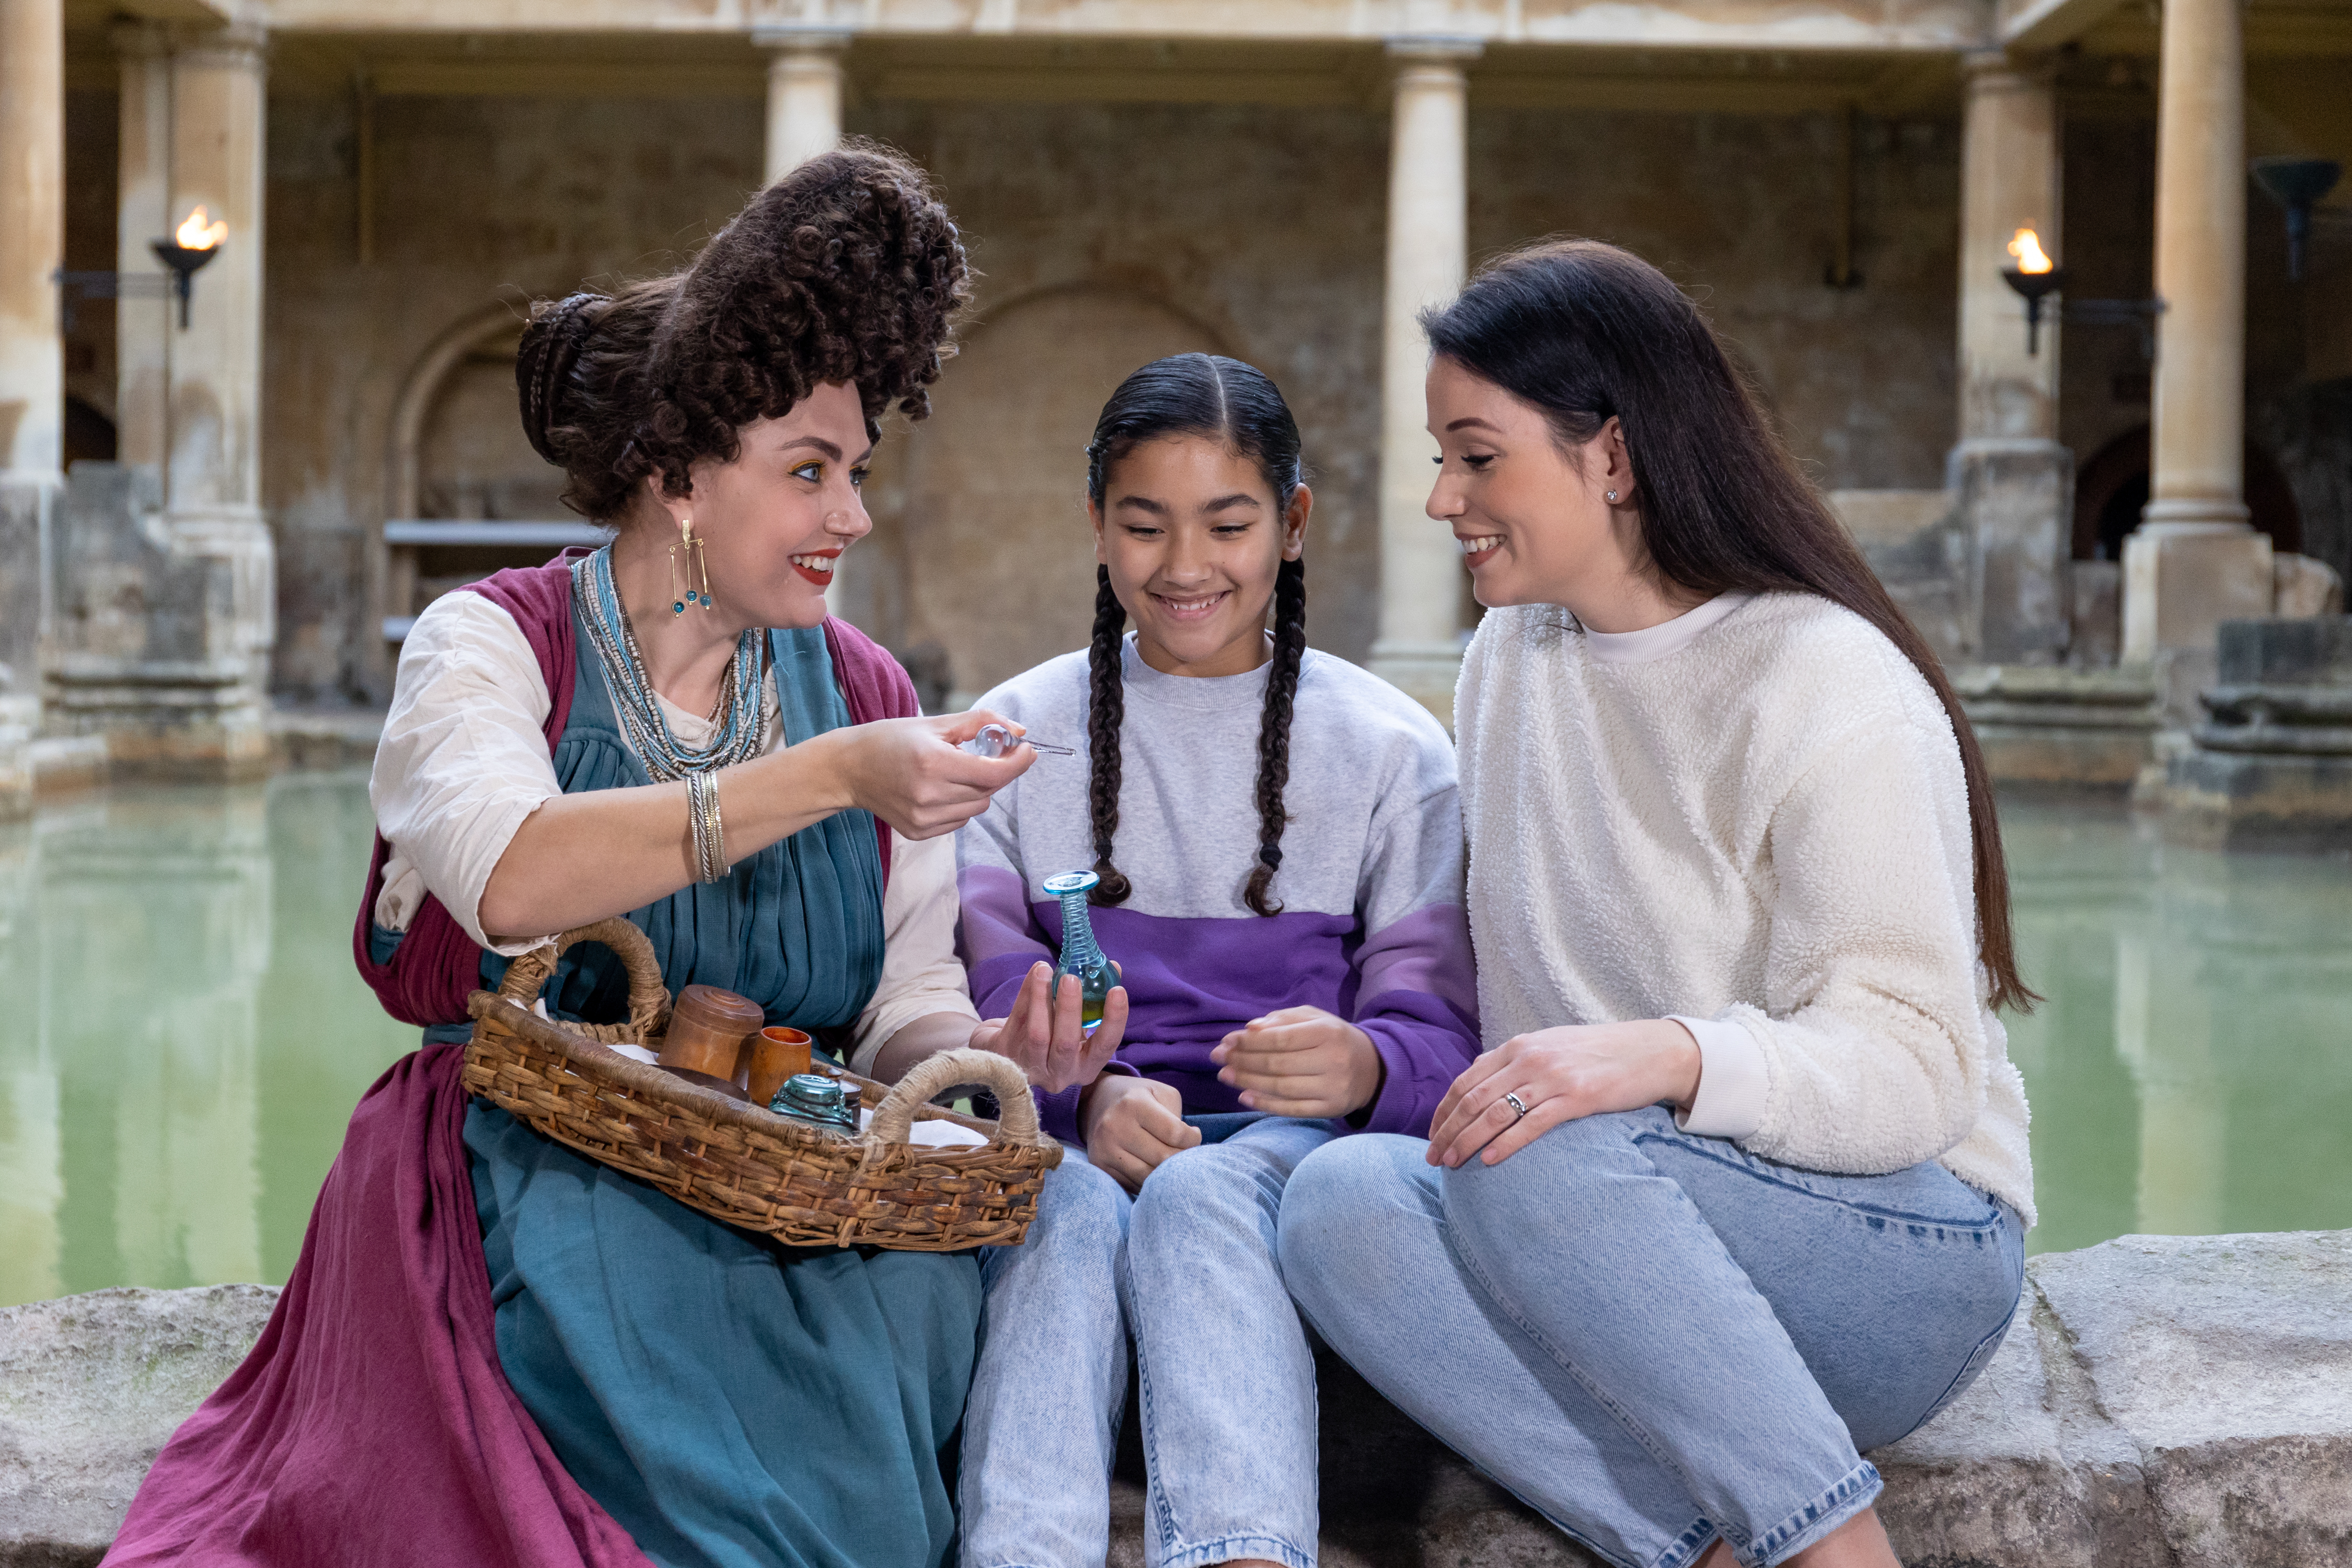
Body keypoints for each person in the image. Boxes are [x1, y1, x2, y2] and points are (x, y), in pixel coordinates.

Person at [107, 146, 1043, 1568]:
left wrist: (975, 1060)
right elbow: (514, 879)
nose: (850, 514)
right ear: (678, 479)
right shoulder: (491, 644)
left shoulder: (858, 680)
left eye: (855, 471)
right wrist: (833, 775)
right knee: (655, 1358)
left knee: (914, 1325)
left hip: (789, 1178)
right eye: (808, 472)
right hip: (533, 1161)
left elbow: (902, 998)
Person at [1276, 241, 2037, 1568]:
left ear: (1611, 458)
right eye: (1441, 456)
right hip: (1613, 1250)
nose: (1440, 495)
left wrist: (1666, 1057)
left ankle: (1839, 1551)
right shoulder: (1510, 656)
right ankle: (1703, 1544)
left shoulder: (1825, 684)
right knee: (1339, 1201)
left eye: (1476, 454)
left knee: (1536, 1145)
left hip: (1901, 1248)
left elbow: (1919, 1069)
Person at [950, 353, 1480, 1568]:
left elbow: (1441, 1039)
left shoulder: (1396, 752)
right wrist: (1090, 1089)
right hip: (1084, 1133)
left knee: (1197, 1193)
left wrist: (1359, 1064)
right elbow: (985, 1005)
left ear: (1291, 524)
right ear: (1097, 527)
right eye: (1144, 525)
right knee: (1058, 1202)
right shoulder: (1009, 743)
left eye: (1229, 523)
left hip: (1294, 1163)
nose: (1186, 566)